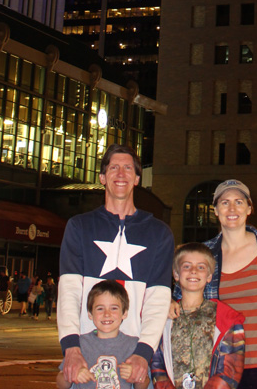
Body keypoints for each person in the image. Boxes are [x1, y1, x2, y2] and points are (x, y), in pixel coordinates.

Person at [57, 143, 174, 386]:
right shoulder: (79, 226)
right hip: (85, 351)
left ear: (137, 178)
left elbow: (158, 298)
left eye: (128, 168)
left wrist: (143, 353)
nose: (121, 174)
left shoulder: (159, 233)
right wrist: (71, 348)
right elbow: (69, 291)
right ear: (102, 177)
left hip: (135, 355)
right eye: (114, 168)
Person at [178, 180, 257, 389]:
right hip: (218, 367)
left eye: (239, 202)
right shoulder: (204, 256)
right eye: (224, 203)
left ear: (249, 208)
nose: (232, 209)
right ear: (215, 210)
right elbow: (182, 303)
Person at [152, 243, 245, 389]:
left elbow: (231, 369)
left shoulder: (227, 319)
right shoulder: (163, 317)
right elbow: (157, 365)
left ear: (209, 276)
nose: (193, 271)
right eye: (187, 266)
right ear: (176, 274)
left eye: (201, 267)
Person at [56, 280, 137, 389]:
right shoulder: (79, 344)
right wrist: (71, 375)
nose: (107, 314)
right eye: (100, 308)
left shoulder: (134, 345)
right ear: (90, 314)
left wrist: (136, 375)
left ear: (124, 313)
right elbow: (61, 384)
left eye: (114, 308)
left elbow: (145, 384)